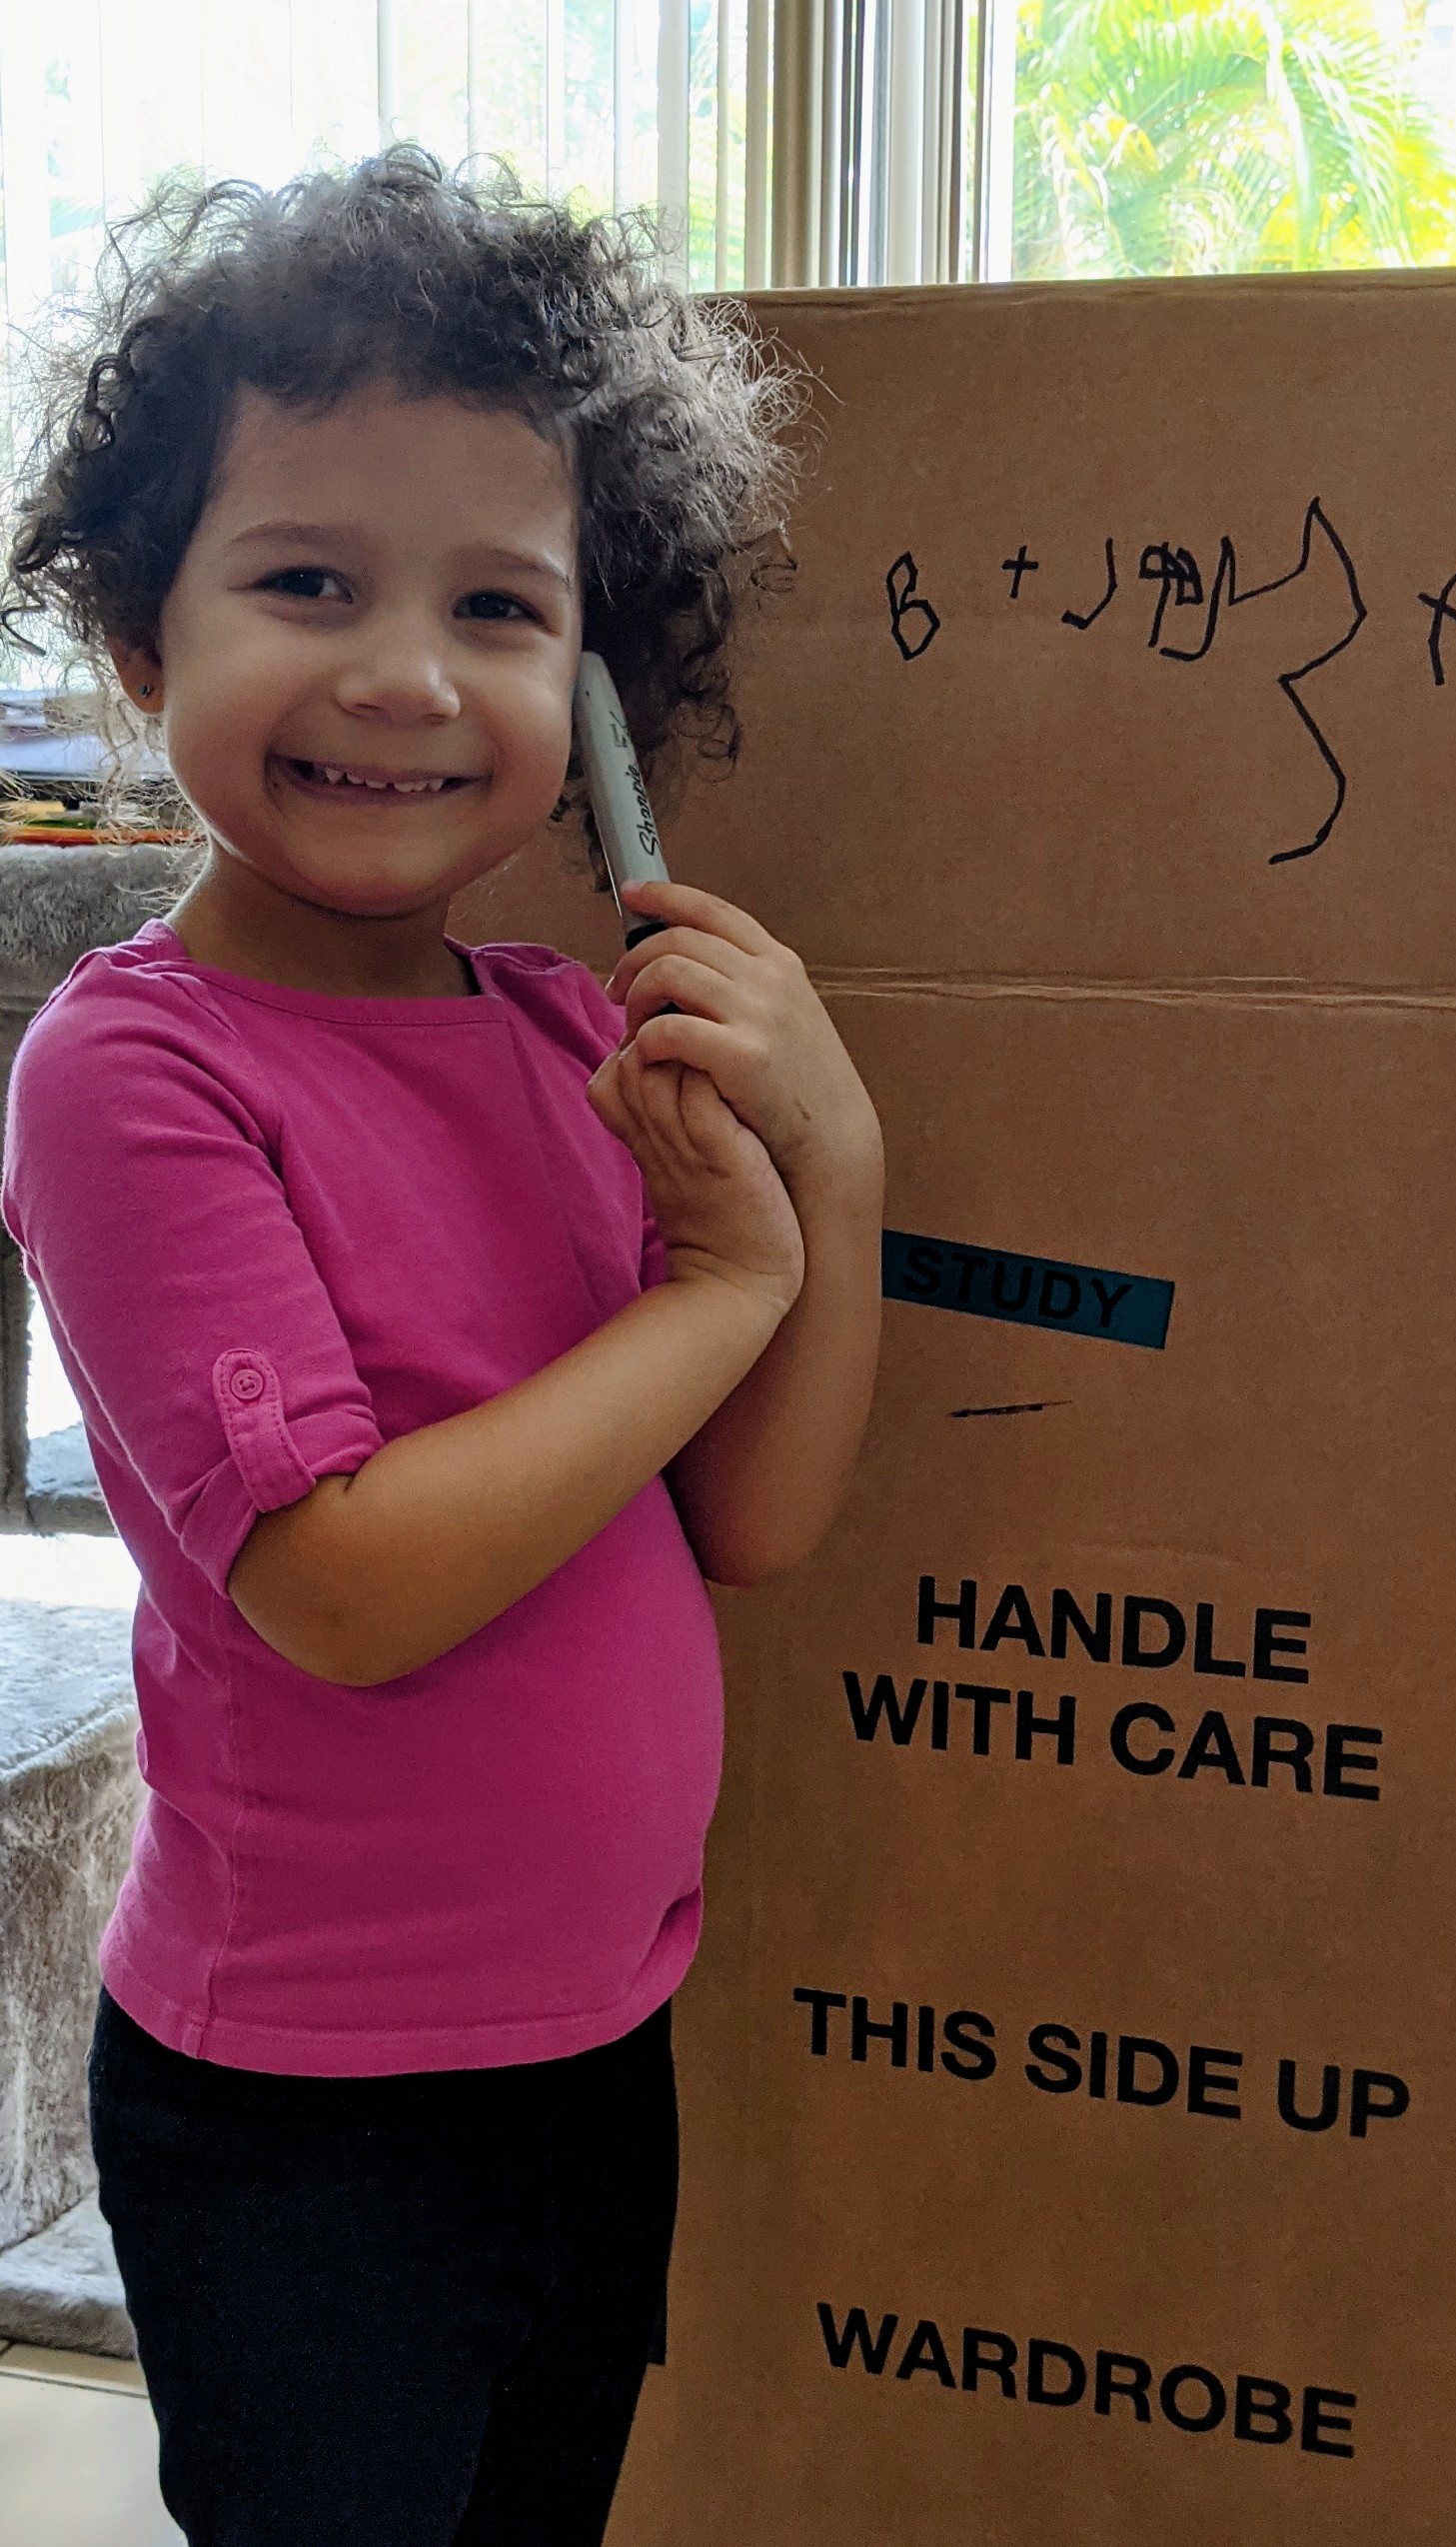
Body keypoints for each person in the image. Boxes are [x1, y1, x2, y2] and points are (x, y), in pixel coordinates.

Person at [0, 149, 881, 2546]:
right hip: (306, 2115)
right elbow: (343, 1581)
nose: (403, 674)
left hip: (593, 2046)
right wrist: (718, 1289)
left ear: (593, 697)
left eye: (496, 606)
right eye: (307, 580)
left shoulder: (571, 1032)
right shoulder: (131, 1068)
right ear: (141, 635)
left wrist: (832, 1161)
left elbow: (756, 1515)